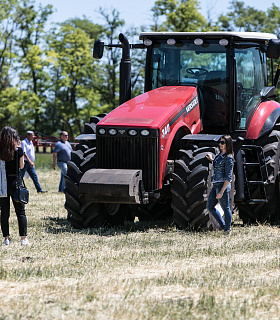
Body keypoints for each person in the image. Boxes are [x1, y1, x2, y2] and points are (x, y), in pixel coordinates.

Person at [0, 126, 29, 245]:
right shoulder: (18, 151)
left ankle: (6, 239)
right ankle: (23, 239)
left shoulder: (0, 151)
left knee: (4, 213)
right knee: (20, 212)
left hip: (2, 184)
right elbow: (21, 167)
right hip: (15, 184)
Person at [206, 135, 234, 234]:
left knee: (225, 208)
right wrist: (212, 160)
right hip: (216, 184)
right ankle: (223, 226)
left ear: (227, 144)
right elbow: (218, 166)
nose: (220, 144)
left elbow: (228, 177)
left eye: (222, 143)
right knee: (210, 207)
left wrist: (222, 191)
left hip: (222, 185)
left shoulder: (229, 158)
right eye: (220, 142)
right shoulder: (219, 155)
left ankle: (227, 230)